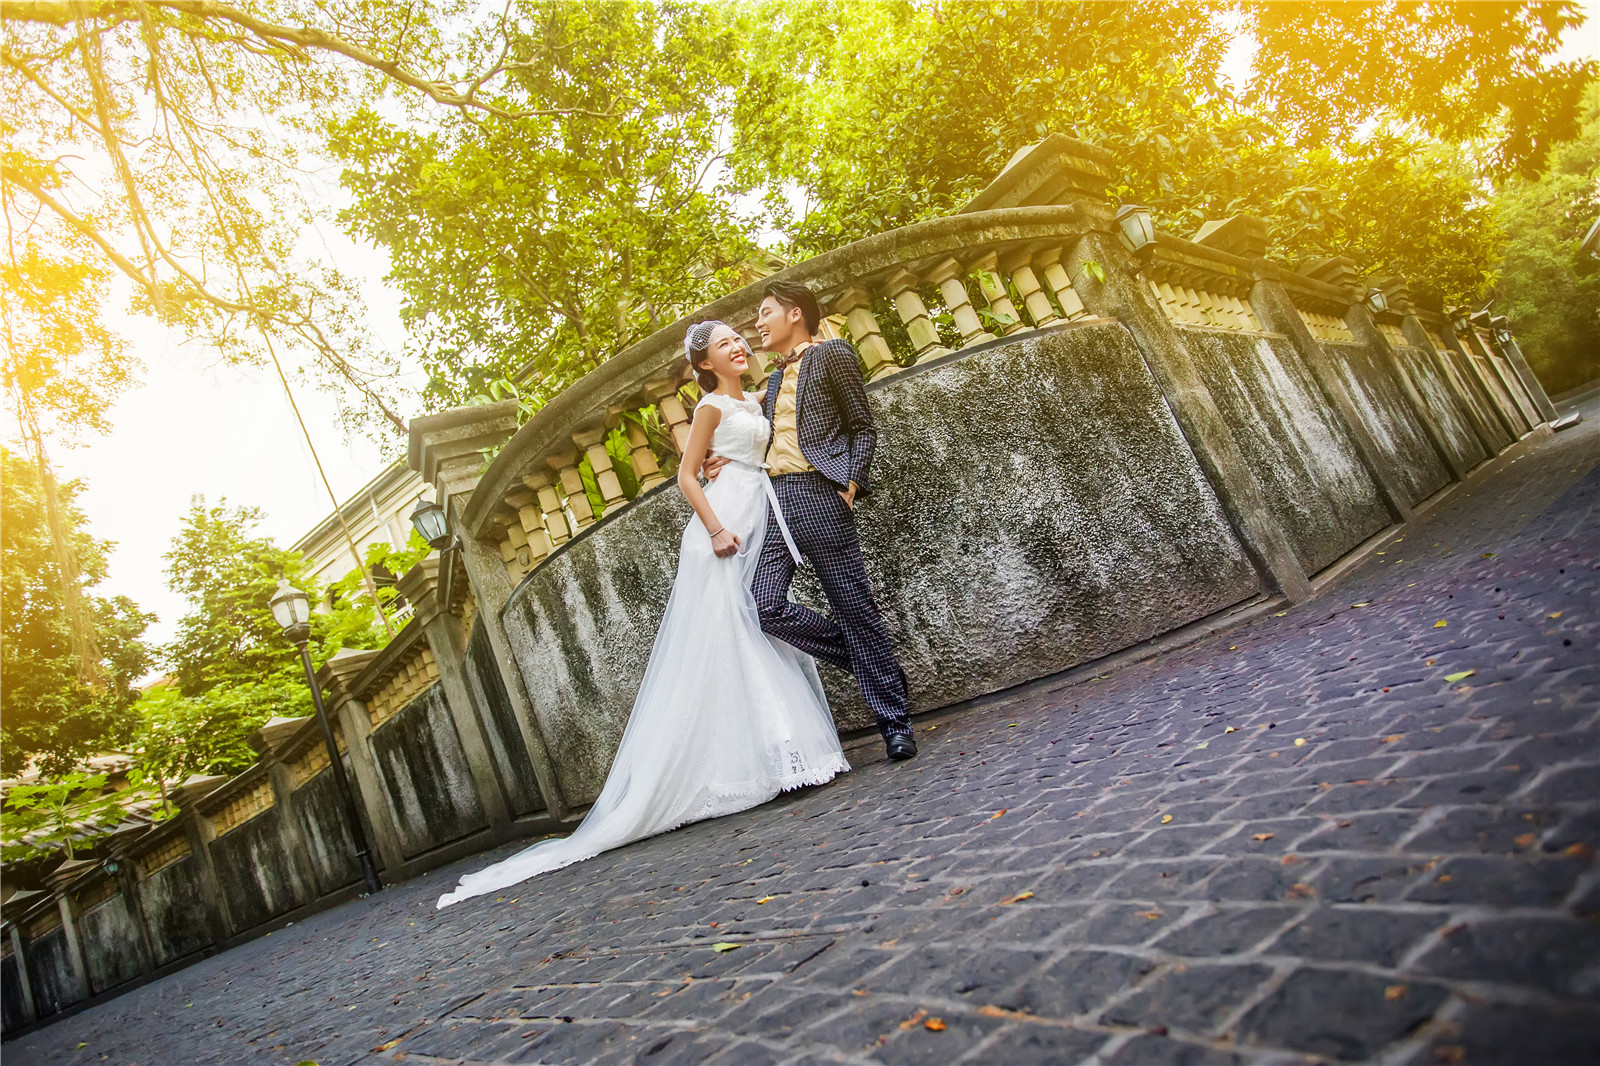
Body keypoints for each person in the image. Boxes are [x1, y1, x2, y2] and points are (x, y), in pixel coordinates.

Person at [436, 321, 848, 908]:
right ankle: (771, 759)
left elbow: (780, 422)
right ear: (704, 364)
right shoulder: (709, 407)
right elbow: (685, 475)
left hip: (762, 506)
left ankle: (787, 752)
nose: (738, 345)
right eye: (724, 344)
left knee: (763, 625)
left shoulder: (757, 398)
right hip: (726, 522)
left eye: (738, 338)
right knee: (735, 631)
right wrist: (716, 529)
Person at [711, 280, 916, 762]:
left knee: (855, 609)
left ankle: (896, 725)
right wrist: (723, 460)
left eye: (766, 312)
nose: (758, 324)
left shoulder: (832, 355)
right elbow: (758, 437)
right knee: (762, 605)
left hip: (820, 494)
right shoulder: (773, 381)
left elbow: (862, 427)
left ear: (795, 314)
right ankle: (876, 666)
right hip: (772, 503)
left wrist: (850, 487)